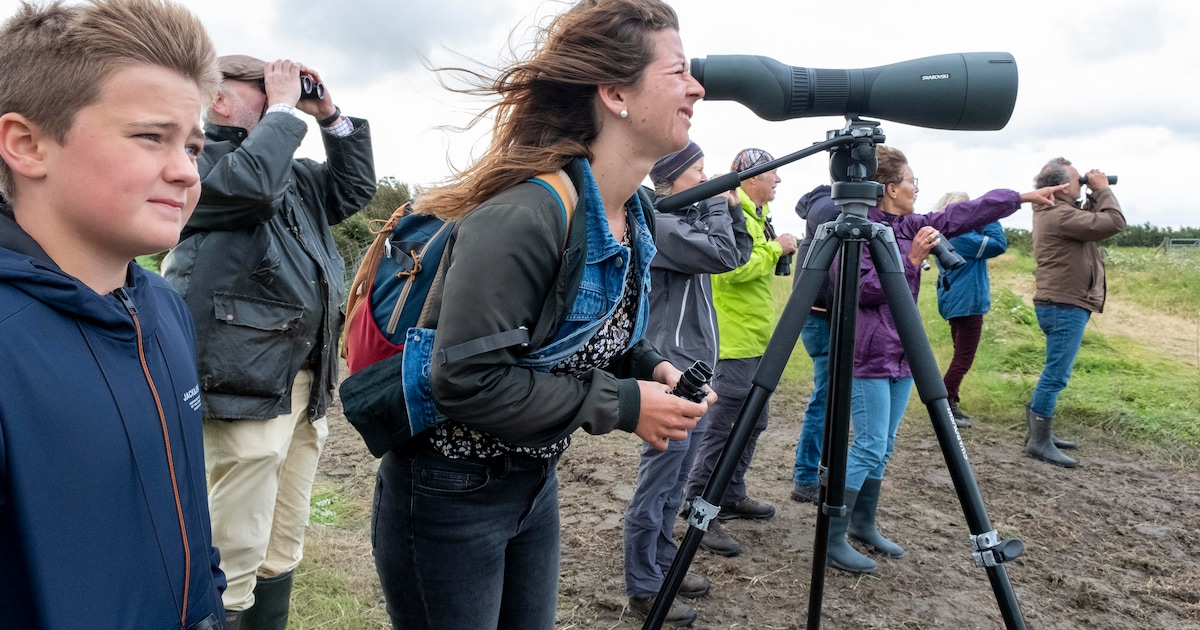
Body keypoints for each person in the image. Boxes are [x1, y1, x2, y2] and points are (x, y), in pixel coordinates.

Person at [369, 2, 711, 628]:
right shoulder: (523, 217)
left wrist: (652, 365)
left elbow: (581, 326)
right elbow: (467, 380)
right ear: (615, 93)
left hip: (534, 480)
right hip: (450, 491)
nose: (698, 87)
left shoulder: (630, 214)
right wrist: (626, 405)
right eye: (679, 72)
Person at [0, 0, 227, 627]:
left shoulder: (163, 308)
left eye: (194, 145)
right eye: (151, 136)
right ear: (27, 144)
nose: (185, 171)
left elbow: (185, 503)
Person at [161, 52, 377, 628]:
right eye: (261, 86)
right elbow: (252, 189)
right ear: (218, 99)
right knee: (233, 540)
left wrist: (329, 116)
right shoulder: (195, 162)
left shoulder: (293, 173)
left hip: (302, 378)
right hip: (240, 376)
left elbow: (354, 189)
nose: (278, 93)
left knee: (283, 534)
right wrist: (283, 110)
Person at [825, 145, 1065, 574]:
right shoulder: (856, 232)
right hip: (868, 357)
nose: (917, 189)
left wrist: (1022, 199)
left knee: (883, 447)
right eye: (913, 181)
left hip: (900, 355)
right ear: (889, 188)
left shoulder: (907, 224)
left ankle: (863, 524)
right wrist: (913, 259)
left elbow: (961, 215)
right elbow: (864, 292)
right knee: (867, 447)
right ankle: (833, 537)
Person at [623, 141, 752, 625]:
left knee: (676, 481)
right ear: (673, 177)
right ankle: (643, 585)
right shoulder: (659, 222)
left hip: (693, 364)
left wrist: (729, 211)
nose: (707, 177)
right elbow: (718, 254)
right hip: (670, 365)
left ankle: (661, 564)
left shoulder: (684, 220)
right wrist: (721, 202)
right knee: (658, 482)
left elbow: (734, 253)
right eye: (699, 171)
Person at [682, 147, 798, 552]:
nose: (779, 181)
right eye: (773, 174)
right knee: (722, 429)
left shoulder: (758, 217)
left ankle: (730, 493)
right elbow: (730, 269)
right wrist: (775, 250)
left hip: (756, 342)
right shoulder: (730, 212)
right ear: (751, 179)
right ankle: (699, 510)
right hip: (732, 345)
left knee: (754, 423)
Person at [1026, 158, 1125, 468]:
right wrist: (1103, 190)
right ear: (1061, 187)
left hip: (1062, 302)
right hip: (1064, 304)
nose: (1081, 183)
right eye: (1076, 180)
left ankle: (1038, 435)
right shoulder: (1059, 214)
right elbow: (1113, 223)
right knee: (1056, 375)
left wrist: (1093, 194)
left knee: (1053, 371)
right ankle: (1039, 442)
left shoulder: (1057, 212)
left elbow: (1094, 220)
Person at [933, 191, 1008, 429]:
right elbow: (998, 245)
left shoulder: (945, 234)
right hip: (967, 303)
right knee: (963, 359)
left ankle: (951, 402)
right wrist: (988, 215)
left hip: (956, 301)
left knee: (960, 355)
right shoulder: (962, 236)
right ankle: (944, 407)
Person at [789, 183, 840, 505]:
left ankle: (814, 471)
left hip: (820, 313)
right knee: (825, 398)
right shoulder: (830, 208)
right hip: (822, 315)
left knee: (829, 397)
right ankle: (806, 475)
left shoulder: (821, 205)